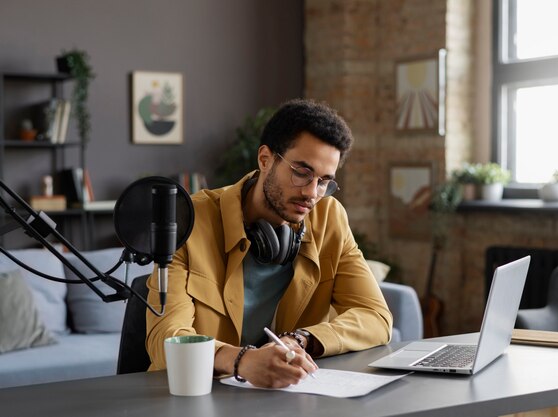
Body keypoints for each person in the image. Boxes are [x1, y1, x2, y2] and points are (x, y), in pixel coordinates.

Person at [146, 98, 392, 388]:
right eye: (302, 172)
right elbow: (166, 337)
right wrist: (241, 360)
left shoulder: (330, 218)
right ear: (265, 159)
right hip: (196, 394)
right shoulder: (190, 219)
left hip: (286, 396)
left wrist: (302, 339)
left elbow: (375, 317)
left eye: (325, 181)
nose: (312, 193)